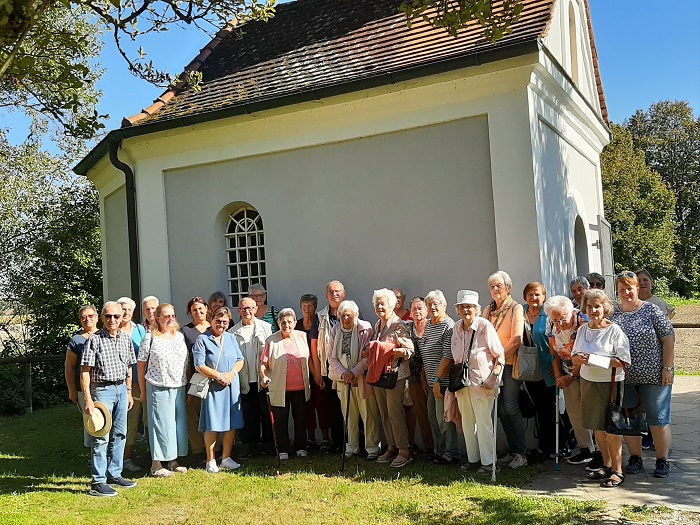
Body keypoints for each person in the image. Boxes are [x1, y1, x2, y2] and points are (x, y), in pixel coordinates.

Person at [609, 272, 675, 478]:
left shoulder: (652, 310)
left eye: (630, 288)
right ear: (617, 291)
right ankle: (635, 458)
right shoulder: (613, 314)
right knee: (631, 420)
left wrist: (667, 368)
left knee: (658, 418)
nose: (626, 292)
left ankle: (662, 460)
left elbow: (668, 339)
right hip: (625, 377)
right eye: (622, 289)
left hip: (655, 375)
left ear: (638, 288)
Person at [439, 290, 504, 474]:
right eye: (462, 307)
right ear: (457, 310)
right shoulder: (456, 328)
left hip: (483, 383)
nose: (466, 310)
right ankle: (474, 460)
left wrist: (494, 376)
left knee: (483, 423)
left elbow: (499, 354)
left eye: (469, 306)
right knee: (467, 423)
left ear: (476, 309)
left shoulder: (484, 326)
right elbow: (455, 357)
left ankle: (490, 463)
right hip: (462, 384)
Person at [571, 290, 631, 488]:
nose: (593, 310)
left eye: (597, 306)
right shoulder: (582, 330)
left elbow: (623, 361)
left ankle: (618, 470)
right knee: (597, 427)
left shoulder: (615, 330)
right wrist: (579, 359)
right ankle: (606, 465)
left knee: (612, 429)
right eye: (589, 306)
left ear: (605, 308)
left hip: (611, 384)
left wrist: (593, 359)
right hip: (589, 382)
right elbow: (574, 357)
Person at [80, 301, 137, 497]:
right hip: (102, 391)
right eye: (108, 316)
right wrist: (88, 400)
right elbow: (85, 372)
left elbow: (130, 366)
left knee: (120, 434)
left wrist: (128, 391)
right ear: (102, 318)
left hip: (121, 389)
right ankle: (98, 482)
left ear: (122, 317)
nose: (112, 320)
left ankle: (114, 474)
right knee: (100, 436)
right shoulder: (94, 340)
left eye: (116, 316)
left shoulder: (125, 339)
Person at [544, 295, 600, 468]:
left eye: (562, 319)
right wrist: (559, 374)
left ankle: (601, 451)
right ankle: (586, 448)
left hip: (588, 371)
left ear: (571, 312)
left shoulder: (582, 321)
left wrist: (571, 376)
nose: (559, 324)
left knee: (593, 410)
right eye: (555, 320)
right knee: (574, 411)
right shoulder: (551, 322)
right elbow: (553, 353)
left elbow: (585, 355)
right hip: (567, 372)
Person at [138, 304, 190, 477]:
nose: (170, 319)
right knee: (160, 425)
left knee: (176, 425)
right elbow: (141, 366)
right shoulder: (150, 338)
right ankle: (156, 465)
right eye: (166, 316)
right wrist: (143, 392)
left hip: (179, 386)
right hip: (158, 386)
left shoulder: (179, 337)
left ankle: (173, 461)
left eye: (173, 316)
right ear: (158, 318)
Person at [482, 271, 527, 469]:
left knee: (510, 407)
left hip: (509, 365)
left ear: (508, 288)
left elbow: (517, 339)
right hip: (491, 367)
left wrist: (498, 357)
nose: (495, 290)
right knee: (499, 410)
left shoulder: (516, 308)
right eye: (492, 286)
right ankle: (512, 450)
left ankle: (521, 453)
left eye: (498, 286)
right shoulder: (487, 310)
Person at [193, 306, 245, 474]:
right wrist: (218, 376)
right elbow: (199, 365)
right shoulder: (203, 339)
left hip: (231, 385)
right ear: (211, 320)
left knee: (232, 422)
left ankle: (226, 458)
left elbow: (240, 359)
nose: (221, 325)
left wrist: (232, 374)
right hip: (214, 387)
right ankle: (211, 460)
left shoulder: (230, 338)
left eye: (225, 322)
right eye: (218, 321)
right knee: (212, 423)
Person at [328, 300, 381, 460]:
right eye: (342, 315)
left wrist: (354, 372)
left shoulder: (366, 329)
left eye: (348, 316)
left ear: (356, 315)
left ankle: (372, 448)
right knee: (349, 415)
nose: (345, 319)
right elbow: (331, 356)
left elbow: (367, 357)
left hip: (362, 380)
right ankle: (352, 446)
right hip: (343, 379)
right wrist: (344, 373)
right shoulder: (336, 329)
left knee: (368, 414)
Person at [369, 288, 414, 468]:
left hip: (395, 376)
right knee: (384, 413)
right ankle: (391, 447)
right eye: (377, 304)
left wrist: (388, 351)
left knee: (395, 413)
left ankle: (404, 451)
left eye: (383, 304)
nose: (380, 307)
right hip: (380, 375)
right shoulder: (378, 325)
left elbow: (409, 351)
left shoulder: (398, 324)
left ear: (392, 305)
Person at [260, 308, 312, 459]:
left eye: (290, 322)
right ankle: (283, 448)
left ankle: (301, 446)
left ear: (295, 323)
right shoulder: (271, 340)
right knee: (281, 420)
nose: (286, 325)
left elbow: (309, 359)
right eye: (283, 322)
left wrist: (317, 377)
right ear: (278, 323)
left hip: (301, 387)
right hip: (279, 387)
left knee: (301, 418)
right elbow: (263, 363)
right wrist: (263, 376)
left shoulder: (302, 336)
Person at [229, 296, 274, 458]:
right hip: (243, 380)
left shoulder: (266, 328)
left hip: (262, 379)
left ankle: (269, 443)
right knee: (247, 414)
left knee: (266, 412)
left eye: (250, 308)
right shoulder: (232, 333)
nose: (247, 311)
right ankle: (248, 444)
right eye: (243, 308)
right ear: (239, 311)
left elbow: (270, 353)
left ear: (255, 309)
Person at [521, 282, 557, 463]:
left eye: (537, 294)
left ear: (544, 296)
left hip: (548, 368)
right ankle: (542, 446)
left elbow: (557, 339)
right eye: (530, 295)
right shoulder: (520, 313)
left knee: (548, 409)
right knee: (537, 407)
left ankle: (550, 447)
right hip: (528, 368)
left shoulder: (549, 314)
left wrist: (557, 363)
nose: (534, 298)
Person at [424, 290, 459, 465]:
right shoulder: (428, 325)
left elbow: (448, 356)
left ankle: (451, 453)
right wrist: (426, 378)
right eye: (429, 305)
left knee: (444, 418)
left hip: (442, 382)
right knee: (432, 417)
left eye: (436, 304)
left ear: (444, 305)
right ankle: (441, 450)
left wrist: (437, 381)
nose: (432, 307)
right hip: (431, 381)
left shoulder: (448, 326)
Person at [312, 280, 347, 451]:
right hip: (328, 371)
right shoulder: (320, 316)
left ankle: (353, 442)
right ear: (326, 295)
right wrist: (317, 373)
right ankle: (338, 442)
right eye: (331, 292)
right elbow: (314, 346)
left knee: (350, 408)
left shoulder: (353, 312)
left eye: (337, 291)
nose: (334, 294)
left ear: (344, 294)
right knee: (332, 408)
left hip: (349, 371)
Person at [117, 296, 147, 473]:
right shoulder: (112, 330)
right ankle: (124, 458)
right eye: (123, 309)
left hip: (139, 382)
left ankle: (146, 456)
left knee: (143, 421)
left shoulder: (140, 330)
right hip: (120, 383)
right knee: (127, 421)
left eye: (129, 309)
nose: (126, 312)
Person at [180, 297, 210, 462]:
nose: (198, 312)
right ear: (190, 313)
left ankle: (215, 449)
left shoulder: (215, 326)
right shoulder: (186, 331)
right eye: (194, 310)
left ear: (206, 309)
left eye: (200, 308)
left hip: (214, 376)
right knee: (195, 415)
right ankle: (198, 450)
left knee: (211, 413)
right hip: (195, 378)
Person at [65, 304, 99, 448]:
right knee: (91, 421)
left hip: (103, 386)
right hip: (83, 389)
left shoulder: (105, 335)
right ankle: (92, 455)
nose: (87, 319)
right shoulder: (76, 341)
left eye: (91, 316)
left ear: (97, 317)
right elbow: (69, 366)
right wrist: (72, 390)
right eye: (84, 317)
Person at [404, 297, 434, 455]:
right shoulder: (407, 328)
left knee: (428, 414)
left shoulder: (431, 326)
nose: (417, 312)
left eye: (420, 308)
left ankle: (432, 447)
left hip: (430, 375)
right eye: (414, 309)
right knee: (415, 412)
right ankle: (414, 444)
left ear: (427, 310)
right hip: (411, 377)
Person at [294, 294, 324, 448]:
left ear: (315, 307)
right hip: (301, 372)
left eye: (310, 306)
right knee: (307, 405)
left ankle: (326, 438)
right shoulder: (296, 325)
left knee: (323, 403)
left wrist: (317, 373)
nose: (307, 309)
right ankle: (310, 438)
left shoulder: (320, 324)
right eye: (304, 306)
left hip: (320, 370)